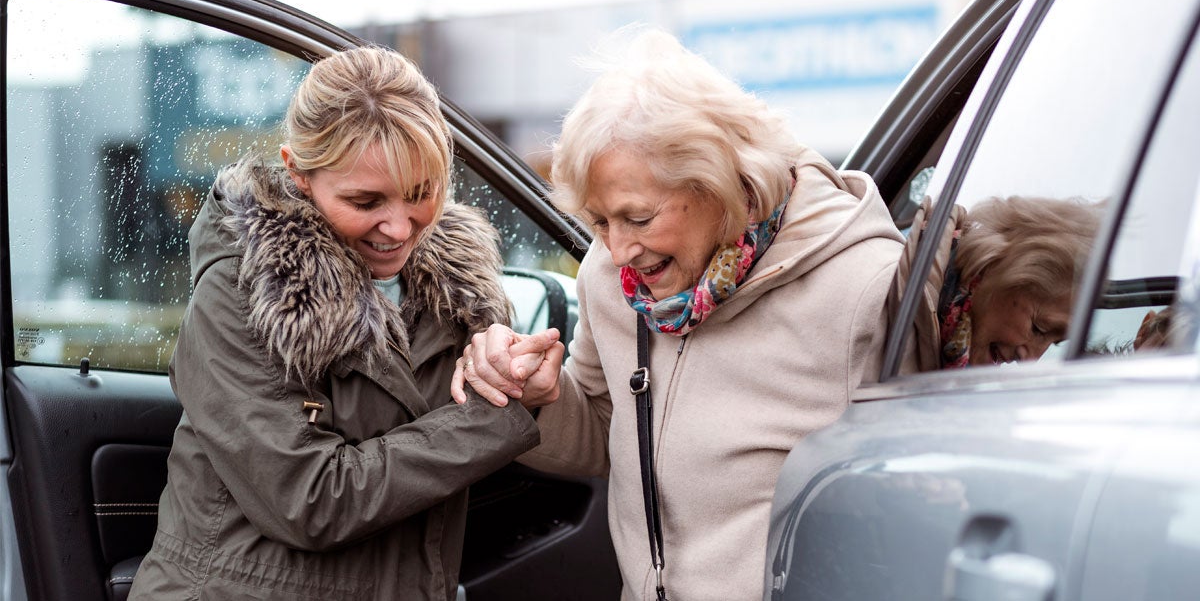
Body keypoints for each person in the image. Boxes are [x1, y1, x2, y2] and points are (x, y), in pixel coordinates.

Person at [451, 29, 904, 600]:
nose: (617, 252)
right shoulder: (611, 278)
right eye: (599, 221)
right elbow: (608, 432)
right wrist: (544, 397)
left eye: (638, 219)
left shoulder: (865, 286)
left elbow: (912, 518)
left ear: (724, 182)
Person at [129, 46, 539, 600]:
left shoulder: (459, 292)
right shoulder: (242, 290)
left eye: (421, 194)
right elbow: (311, 500)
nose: (398, 227)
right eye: (365, 200)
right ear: (298, 172)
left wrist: (515, 372)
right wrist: (494, 415)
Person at [892, 194, 1104, 371]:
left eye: (1054, 344)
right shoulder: (882, 294)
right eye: (1038, 328)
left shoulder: (950, 356)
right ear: (998, 266)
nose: (1030, 360)